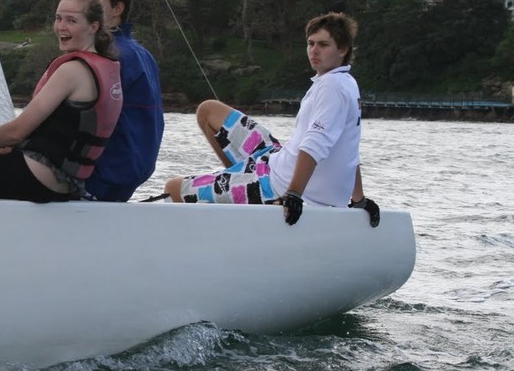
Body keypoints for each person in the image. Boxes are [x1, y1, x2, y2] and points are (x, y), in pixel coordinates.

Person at [162, 12, 380, 227]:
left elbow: (315, 144)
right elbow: (348, 148)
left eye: (323, 45)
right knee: (209, 111)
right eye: (310, 43)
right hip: (274, 158)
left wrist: (293, 195)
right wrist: (358, 200)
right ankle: (236, 183)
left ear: (342, 49)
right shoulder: (346, 82)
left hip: (276, 185)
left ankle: (243, 189)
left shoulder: (332, 87)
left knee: (173, 188)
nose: (314, 50)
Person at [0, 0, 122, 202]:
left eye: (71, 21)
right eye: (58, 18)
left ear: (93, 27)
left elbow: (16, 133)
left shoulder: (72, 70)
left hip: (37, 177)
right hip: (67, 183)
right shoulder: (107, 67)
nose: (61, 27)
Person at [82, 0, 164, 202]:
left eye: (94, 2)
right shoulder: (141, 53)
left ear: (118, 9)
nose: (84, 8)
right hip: (126, 176)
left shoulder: (110, 56)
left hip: (102, 177)